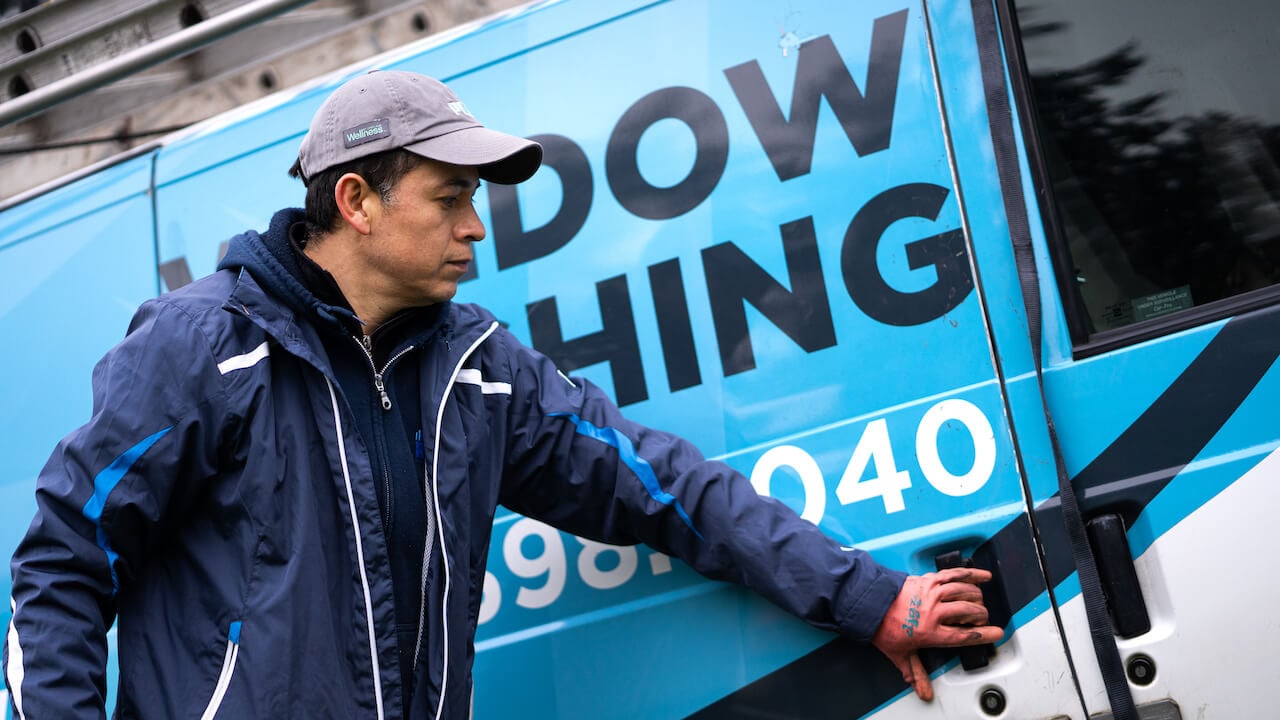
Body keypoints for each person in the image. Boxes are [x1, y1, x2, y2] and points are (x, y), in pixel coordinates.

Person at [2, 70, 1001, 719]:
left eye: (473, 200)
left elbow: (663, 487)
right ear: (356, 201)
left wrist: (868, 598)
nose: (475, 227)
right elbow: (62, 563)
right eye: (450, 199)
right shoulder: (203, 346)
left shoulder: (475, 369)